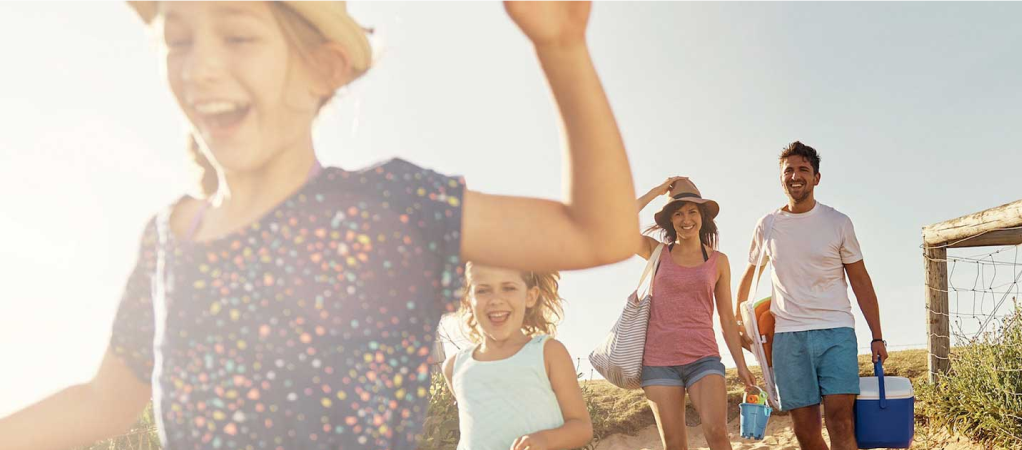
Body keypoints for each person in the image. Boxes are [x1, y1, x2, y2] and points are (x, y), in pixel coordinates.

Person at [0, 0, 639, 449]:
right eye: (179, 40)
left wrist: (562, 46)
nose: (200, 67)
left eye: (238, 35)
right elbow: (102, 402)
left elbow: (599, 232)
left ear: (322, 69)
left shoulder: (390, 209)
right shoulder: (170, 240)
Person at [736, 141, 887, 450]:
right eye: (788, 170)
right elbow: (750, 276)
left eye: (803, 169)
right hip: (788, 336)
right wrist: (740, 325)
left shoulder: (838, 222)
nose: (795, 175)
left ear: (816, 178)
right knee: (805, 429)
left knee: (840, 420)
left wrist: (877, 335)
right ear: (780, 178)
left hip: (836, 331)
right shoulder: (767, 226)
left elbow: (860, 280)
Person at [635, 176, 755, 450]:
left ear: (702, 216)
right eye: (677, 213)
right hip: (659, 362)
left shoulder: (718, 261)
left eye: (691, 211)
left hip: (704, 358)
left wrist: (741, 365)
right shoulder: (656, 252)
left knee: (717, 433)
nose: (685, 219)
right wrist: (656, 192)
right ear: (670, 220)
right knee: (675, 445)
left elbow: (726, 318)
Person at [443, 264, 589, 450]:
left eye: (509, 288)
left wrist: (546, 440)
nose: (496, 299)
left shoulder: (547, 352)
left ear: (530, 296)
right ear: (467, 300)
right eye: (483, 290)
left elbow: (582, 427)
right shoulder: (455, 367)